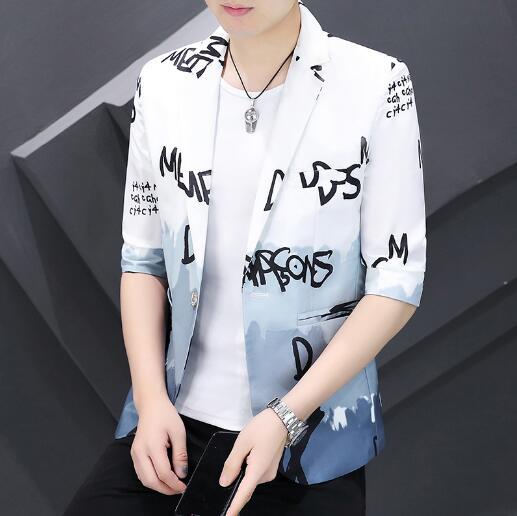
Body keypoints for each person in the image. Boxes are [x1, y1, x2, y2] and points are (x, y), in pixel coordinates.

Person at [63, 1, 426, 515]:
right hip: (170, 427)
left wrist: (286, 417)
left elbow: (396, 282)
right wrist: (150, 402)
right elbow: (144, 261)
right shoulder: (164, 83)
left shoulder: (376, 84)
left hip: (308, 443)